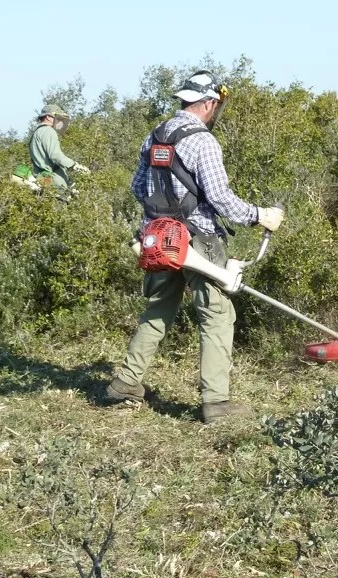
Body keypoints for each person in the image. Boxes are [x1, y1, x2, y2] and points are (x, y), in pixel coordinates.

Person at [105, 70, 285, 423]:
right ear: (208, 103)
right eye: (216, 105)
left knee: (159, 308)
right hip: (199, 240)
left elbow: (138, 189)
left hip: (158, 238)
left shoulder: (155, 135)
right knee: (217, 315)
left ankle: (126, 381)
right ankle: (216, 404)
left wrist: (163, 219)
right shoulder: (203, 141)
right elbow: (221, 198)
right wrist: (259, 215)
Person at [28, 104, 91, 190]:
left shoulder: (37, 132)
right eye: (57, 118)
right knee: (62, 200)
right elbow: (55, 155)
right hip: (53, 178)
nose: (59, 122)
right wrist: (75, 166)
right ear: (48, 117)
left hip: (42, 178)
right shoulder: (48, 131)